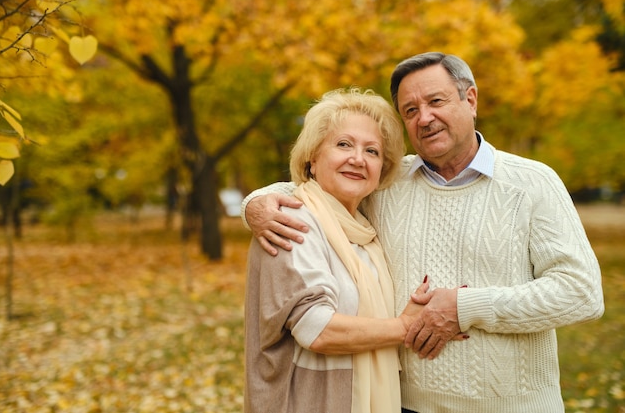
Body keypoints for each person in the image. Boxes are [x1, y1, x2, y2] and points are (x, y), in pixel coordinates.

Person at [241, 53, 605, 413]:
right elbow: (321, 186)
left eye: (436, 101)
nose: (425, 118)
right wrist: (256, 204)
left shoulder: (532, 183)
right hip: (407, 404)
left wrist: (465, 307)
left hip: (514, 406)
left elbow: (581, 292)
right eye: (410, 110)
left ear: (471, 99)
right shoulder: (390, 181)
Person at [244, 88, 463, 413]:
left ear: (381, 171)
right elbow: (316, 329)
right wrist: (405, 327)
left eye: (372, 151)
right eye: (343, 144)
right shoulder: (293, 220)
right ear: (312, 158)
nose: (358, 159)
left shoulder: (365, 231)